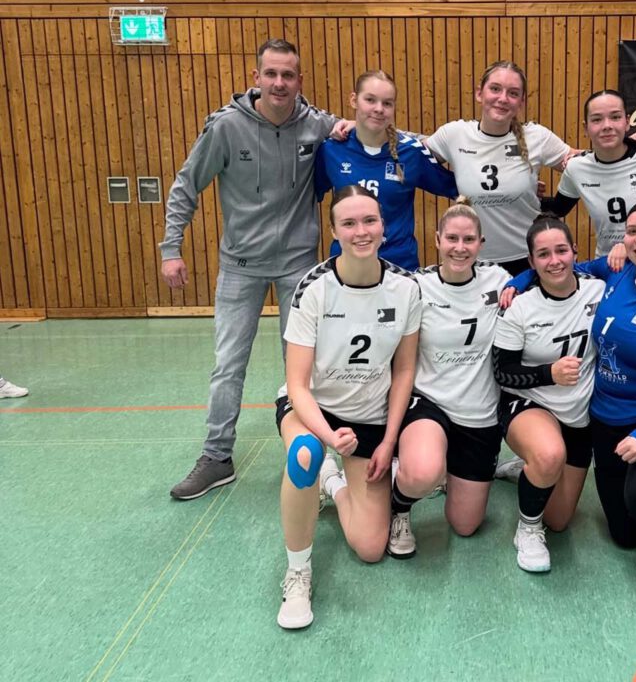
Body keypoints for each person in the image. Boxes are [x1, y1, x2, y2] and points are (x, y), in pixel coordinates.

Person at [161, 39, 340, 501]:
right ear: (256, 78)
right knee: (228, 364)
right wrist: (170, 248)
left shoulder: (316, 125)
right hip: (240, 267)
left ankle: (312, 454)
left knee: (303, 368)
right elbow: (186, 185)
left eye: (288, 75)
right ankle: (216, 456)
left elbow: (367, 129)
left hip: (298, 266)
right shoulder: (226, 127)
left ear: (299, 81)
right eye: (271, 74)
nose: (280, 83)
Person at [506, 201, 636, 586]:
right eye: (633, 231)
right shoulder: (616, 271)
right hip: (606, 421)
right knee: (628, 536)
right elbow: (564, 266)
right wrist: (519, 281)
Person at [277, 185, 420, 629]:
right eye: (349, 223)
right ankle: (297, 573)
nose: (362, 231)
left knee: (370, 547)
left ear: (384, 226)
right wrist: (327, 435)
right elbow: (297, 385)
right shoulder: (314, 288)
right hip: (314, 410)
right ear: (334, 231)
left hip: (369, 417)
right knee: (305, 455)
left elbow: (404, 371)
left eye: (370, 221)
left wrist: (390, 442)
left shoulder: (405, 288)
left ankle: (333, 483)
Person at [387, 199, 511, 559]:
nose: (460, 247)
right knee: (422, 472)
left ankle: (443, 469)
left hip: (479, 413)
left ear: (481, 243)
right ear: (437, 239)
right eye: (452, 238)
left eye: (469, 239)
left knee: (465, 525)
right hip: (430, 403)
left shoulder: (499, 279)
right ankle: (400, 506)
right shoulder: (417, 286)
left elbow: (540, 277)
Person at [491, 215, 605, 573]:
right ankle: (527, 529)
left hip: (578, 415)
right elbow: (502, 371)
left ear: (575, 251)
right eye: (543, 254)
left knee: (559, 520)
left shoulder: (598, 291)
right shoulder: (520, 307)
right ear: (531, 262)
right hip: (529, 402)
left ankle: (529, 468)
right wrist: (548, 373)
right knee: (549, 454)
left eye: (561, 251)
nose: (554, 261)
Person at [426, 61, 576, 276]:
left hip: (528, 259)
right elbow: (411, 154)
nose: (503, 98)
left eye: (513, 93)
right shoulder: (454, 135)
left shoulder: (536, 137)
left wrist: (630, 141)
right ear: (479, 93)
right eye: (495, 89)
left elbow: (584, 164)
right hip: (474, 260)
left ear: (521, 102)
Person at [314, 70, 458, 270]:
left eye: (387, 103)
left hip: (399, 267)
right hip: (346, 266)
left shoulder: (411, 153)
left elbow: (458, 189)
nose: (379, 109)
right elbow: (310, 195)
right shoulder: (331, 150)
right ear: (354, 100)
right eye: (370, 100)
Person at [541, 89, 636, 255]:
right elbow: (558, 210)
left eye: (615, 117)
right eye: (597, 119)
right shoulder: (576, 168)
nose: (607, 126)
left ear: (627, 122)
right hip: (609, 264)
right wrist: (525, 191)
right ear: (585, 128)